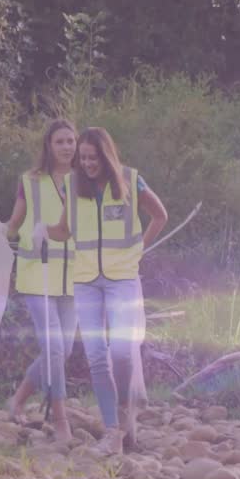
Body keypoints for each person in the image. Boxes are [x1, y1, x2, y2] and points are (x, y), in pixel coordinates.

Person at [39, 128, 168, 454]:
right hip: (85, 282)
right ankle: (112, 431)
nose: (87, 164)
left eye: (93, 158)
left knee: (122, 352)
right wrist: (44, 231)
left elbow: (159, 215)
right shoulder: (72, 185)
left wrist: (139, 248)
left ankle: (124, 410)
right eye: (82, 158)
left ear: (106, 156)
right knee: (96, 356)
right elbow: (65, 230)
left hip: (122, 279)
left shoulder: (131, 180)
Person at [5, 119, 79, 443]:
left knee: (63, 350)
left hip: (74, 276)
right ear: (49, 145)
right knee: (54, 347)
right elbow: (14, 223)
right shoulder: (31, 181)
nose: (66, 146)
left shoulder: (86, 180)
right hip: (38, 274)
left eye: (71, 141)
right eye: (60, 141)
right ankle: (61, 421)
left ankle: (18, 400)